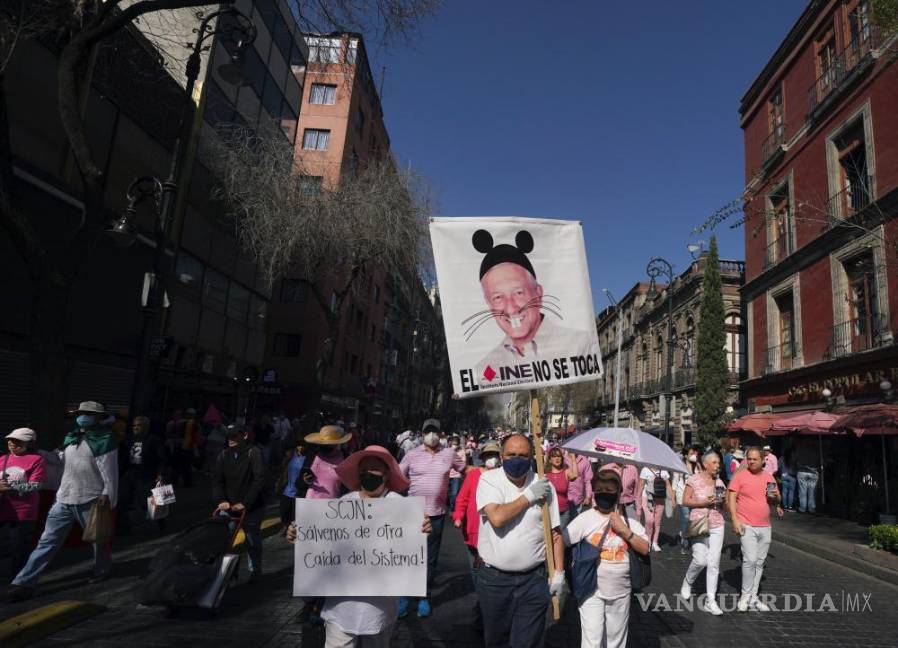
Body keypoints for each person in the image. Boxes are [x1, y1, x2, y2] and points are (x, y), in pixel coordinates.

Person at [286, 445, 431, 647]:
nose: (368, 474)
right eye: (363, 470)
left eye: (374, 469)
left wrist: (421, 529)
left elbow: (411, 547)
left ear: (387, 473)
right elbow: (319, 544)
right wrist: (299, 534)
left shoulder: (401, 507)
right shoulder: (343, 505)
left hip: (380, 610)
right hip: (340, 610)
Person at [8, 402, 118, 601]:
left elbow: (110, 471)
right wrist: (36, 451)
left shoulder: (105, 439)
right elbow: (57, 459)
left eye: (88, 414)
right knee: (47, 542)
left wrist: (106, 494)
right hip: (64, 498)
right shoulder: (71, 437)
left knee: (98, 539)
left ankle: (102, 570)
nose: (83, 416)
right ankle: (23, 582)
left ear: (98, 417)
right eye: (81, 413)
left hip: (91, 498)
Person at [469, 229, 595, 389]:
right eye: (498, 298)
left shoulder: (579, 346)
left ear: (538, 293)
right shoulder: (486, 368)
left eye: (519, 293)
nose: (511, 308)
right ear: (488, 304)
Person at [475, 434, 565, 648]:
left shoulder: (544, 485)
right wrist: (529, 497)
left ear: (532, 456)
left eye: (524, 455)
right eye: (511, 454)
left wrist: (559, 572)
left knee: (527, 642)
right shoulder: (489, 479)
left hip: (533, 579)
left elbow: (555, 532)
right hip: (494, 580)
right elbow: (496, 518)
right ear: (502, 456)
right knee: (497, 640)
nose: (517, 459)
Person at [563, 470, 649, 648]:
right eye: (600, 490)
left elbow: (645, 548)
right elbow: (562, 541)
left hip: (621, 591)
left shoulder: (628, 521)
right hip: (591, 590)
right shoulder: (584, 519)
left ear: (618, 493)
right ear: (594, 492)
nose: (605, 494)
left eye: (610, 491)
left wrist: (624, 530)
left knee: (615, 641)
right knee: (592, 640)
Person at [398, 419, 466, 618]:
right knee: (408, 557)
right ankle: (404, 596)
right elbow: (396, 477)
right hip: (412, 513)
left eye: (435, 431)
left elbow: (465, 471)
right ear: (422, 433)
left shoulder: (449, 453)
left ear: (441, 433)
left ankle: (423, 597)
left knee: (430, 559)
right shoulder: (411, 455)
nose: (432, 435)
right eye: (428, 431)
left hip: (436, 514)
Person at [727, 446, 783, 612]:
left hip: (765, 526)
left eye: (754, 459)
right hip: (746, 524)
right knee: (750, 560)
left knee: (759, 563)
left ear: (763, 460)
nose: (751, 461)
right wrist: (734, 519)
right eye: (749, 459)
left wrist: (776, 498)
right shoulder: (740, 476)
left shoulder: (768, 477)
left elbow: (775, 499)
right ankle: (744, 597)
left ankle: (753, 597)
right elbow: (731, 497)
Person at [452, 440, 501, 630]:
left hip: (495, 533)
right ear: (482, 458)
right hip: (473, 531)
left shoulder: (504, 476)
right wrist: (458, 516)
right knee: (476, 572)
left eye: (494, 455)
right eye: (488, 455)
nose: (491, 459)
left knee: (491, 571)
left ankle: (488, 608)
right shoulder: (473, 476)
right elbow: (462, 498)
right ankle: (483, 603)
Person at [213, 424, 266, 583]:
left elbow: (259, 480)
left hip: (251, 507)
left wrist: (245, 503)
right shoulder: (223, 455)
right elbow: (217, 480)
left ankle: (255, 569)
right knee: (226, 540)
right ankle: (228, 570)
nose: (230, 439)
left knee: (251, 539)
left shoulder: (253, 453)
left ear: (244, 436)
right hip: (228, 507)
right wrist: (221, 500)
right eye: (228, 436)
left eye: (234, 436)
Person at [680, 451, 727, 615]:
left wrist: (724, 501)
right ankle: (688, 581)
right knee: (700, 560)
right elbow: (684, 501)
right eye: (714, 463)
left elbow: (724, 507)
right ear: (705, 464)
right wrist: (702, 502)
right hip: (699, 523)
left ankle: (710, 600)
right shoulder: (694, 480)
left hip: (717, 523)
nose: (717, 465)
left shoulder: (720, 482)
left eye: (718, 463)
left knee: (714, 563)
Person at [1, 428, 47, 582]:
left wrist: (13, 488)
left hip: (24, 512)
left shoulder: (36, 459)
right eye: (10, 440)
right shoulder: (3, 459)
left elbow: (37, 484)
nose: (12, 444)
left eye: (17, 441)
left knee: (19, 549)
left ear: (29, 443)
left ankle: (19, 582)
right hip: (3, 508)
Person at [118, 416, 167, 534]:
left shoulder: (153, 440)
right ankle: (123, 528)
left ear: (146, 427)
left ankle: (159, 520)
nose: (135, 428)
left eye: (138, 426)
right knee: (121, 500)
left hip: (145, 474)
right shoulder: (130, 440)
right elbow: (125, 457)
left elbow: (162, 458)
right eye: (134, 426)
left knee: (145, 502)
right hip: (130, 473)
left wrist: (160, 473)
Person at [303, 425, 351, 500]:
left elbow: (349, 485)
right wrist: (305, 481)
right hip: (311, 504)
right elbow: (298, 483)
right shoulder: (312, 456)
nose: (325, 445)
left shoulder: (345, 458)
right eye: (323, 443)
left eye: (329, 444)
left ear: (337, 443)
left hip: (332, 506)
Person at [672, 446, 701, 552]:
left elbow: (701, 479)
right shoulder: (679, 467)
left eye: (694, 453)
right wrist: (673, 498)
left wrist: (699, 465)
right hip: (682, 496)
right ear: (685, 455)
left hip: (694, 497)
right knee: (686, 517)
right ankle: (684, 541)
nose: (693, 455)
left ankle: (690, 538)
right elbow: (674, 483)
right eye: (691, 453)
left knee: (694, 519)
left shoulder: (697, 466)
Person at [637, 466, 672, 552]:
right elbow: (641, 485)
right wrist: (638, 500)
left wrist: (672, 499)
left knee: (657, 522)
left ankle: (655, 542)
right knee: (649, 521)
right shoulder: (645, 469)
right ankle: (647, 542)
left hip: (660, 499)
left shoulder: (663, 470)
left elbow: (668, 485)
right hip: (647, 499)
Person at [545, 447, 578, 527]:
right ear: (549, 460)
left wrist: (573, 460)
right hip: (550, 512)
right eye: (554, 456)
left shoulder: (565, 472)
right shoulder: (545, 475)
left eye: (559, 456)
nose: (557, 458)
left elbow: (575, 476)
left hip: (563, 512)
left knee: (561, 535)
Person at [278, 437, 308, 527]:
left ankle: (292, 531)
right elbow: (283, 469)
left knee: (295, 517)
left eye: (303, 445)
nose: (301, 447)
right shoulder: (291, 455)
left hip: (299, 493)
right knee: (283, 512)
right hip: (287, 490)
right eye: (299, 445)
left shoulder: (308, 459)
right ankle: (286, 527)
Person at [566, 451, 594, 518]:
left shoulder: (584, 461)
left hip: (577, 499)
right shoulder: (563, 459)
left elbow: (588, 480)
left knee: (574, 522)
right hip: (565, 499)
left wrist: (588, 496)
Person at [794, 439, 819, 513]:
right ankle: (811, 508)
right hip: (814, 472)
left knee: (802, 491)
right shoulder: (817, 452)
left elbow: (796, 462)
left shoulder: (800, 451)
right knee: (812, 491)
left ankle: (803, 508)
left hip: (802, 472)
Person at [448, 435, 466, 511]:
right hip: (447, 475)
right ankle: (450, 505)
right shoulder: (448, 451)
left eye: (455, 444)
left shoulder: (462, 452)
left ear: (458, 444)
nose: (454, 446)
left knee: (455, 493)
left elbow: (463, 463)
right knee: (448, 493)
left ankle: (453, 509)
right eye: (453, 444)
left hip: (457, 476)